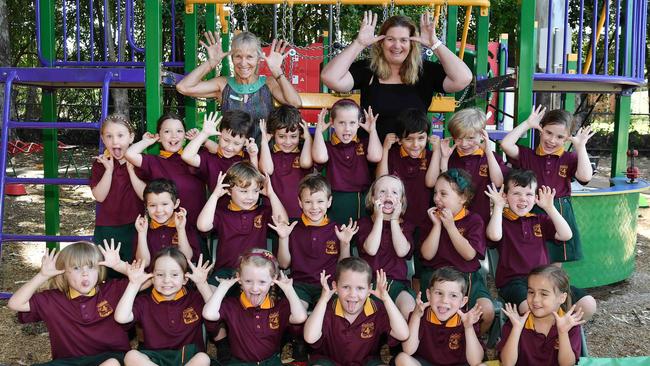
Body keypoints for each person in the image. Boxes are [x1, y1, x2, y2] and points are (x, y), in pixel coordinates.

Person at [321, 11, 472, 140]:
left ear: (412, 43)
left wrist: (434, 43)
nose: (397, 46)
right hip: (372, 154)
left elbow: (463, 79)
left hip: (413, 155)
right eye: (390, 39)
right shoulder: (368, 69)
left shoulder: (424, 71)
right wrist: (359, 43)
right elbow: (330, 78)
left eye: (404, 40)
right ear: (381, 42)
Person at [485, 170, 597, 320]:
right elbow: (494, 235)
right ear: (505, 196)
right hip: (515, 283)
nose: (523, 199)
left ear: (535, 197)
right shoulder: (500, 221)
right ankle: (546, 335)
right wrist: (498, 207)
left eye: (529, 194)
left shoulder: (539, 220)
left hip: (546, 279)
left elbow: (566, 235)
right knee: (531, 308)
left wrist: (550, 208)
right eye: (516, 193)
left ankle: (561, 334)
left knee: (588, 304)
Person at [8, 241, 131, 365]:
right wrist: (42, 275)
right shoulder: (52, 299)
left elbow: (144, 280)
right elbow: (15, 304)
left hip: (111, 356)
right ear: (63, 273)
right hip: (69, 362)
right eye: (76, 268)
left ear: (99, 270)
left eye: (91, 266)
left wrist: (119, 265)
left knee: (111, 364)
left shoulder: (113, 289)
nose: (85, 273)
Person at [500, 106, 595, 264]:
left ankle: (553, 288)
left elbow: (585, 177)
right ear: (540, 130)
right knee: (533, 255)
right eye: (548, 133)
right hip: (532, 209)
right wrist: (528, 123)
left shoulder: (569, 158)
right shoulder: (527, 155)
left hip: (559, 210)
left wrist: (580, 146)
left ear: (567, 139)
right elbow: (506, 144)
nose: (552, 140)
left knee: (555, 259)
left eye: (559, 137)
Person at [176, 31, 302, 142]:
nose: (243, 63)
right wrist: (211, 62)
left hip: (263, 157)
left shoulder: (268, 83)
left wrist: (276, 71)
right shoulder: (223, 84)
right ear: (232, 58)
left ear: (259, 59)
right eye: (238, 56)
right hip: (231, 155)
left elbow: (295, 103)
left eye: (250, 57)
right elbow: (183, 87)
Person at [420, 169, 495, 335]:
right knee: (427, 314)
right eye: (435, 193)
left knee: (487, 310)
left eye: (443, 194)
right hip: (436, 278)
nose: (436, 198)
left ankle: (473, 341)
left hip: (468, 279)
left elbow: (469, 254)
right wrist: (437, 226)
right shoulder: (431, 220)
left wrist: (451, 227)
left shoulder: (474, 220)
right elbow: (427, 254)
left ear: (463, 198)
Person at [202, 248, 308, 365]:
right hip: (239, 363)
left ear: (273, 280)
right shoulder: (231, 305)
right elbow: (209, 314)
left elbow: (301, 317)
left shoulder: (279, 307)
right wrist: (223, 287)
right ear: (239, 279)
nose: (254, 288)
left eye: (262, 282)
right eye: (248, 281)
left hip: (271, 362)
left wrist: (289, 290)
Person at [114, 248, 215, 366]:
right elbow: (121, 318)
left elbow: (215, 314)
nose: (167, 280)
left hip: (188, 357)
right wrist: (134, 284)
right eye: (160, 274)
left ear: (185, 279)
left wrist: (202, 284)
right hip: (154, 358)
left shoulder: (195, 299)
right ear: (152, 278)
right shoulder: (144, 302)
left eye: (175, 274)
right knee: (131, 356)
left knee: (203, 358)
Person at [270, 173, 358, 310]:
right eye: (308, 202)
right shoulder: (291, 228)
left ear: (329, 202)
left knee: (328, 314)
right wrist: (283, 238)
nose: (314, 207)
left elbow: (344, 267)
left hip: (328, 284)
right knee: (295, 314)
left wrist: (345, 243)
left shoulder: (339, 230)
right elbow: (283, 264)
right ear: (300, 202)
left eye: (320, 201)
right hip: (299, 284)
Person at [303, 257, 409, 365]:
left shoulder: (376, 309)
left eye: (360, 288)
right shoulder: (327, 308)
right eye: (346, 287)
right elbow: (310, 337)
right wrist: (323, 300)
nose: (353, 294)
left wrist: (386, 299)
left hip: (366, 362)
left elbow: (403, 334)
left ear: (369, 289)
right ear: (335, 287)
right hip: (331, 362)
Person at [196, 162, 288, 279]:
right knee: (211, 295)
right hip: (226, 272)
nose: (250, 197)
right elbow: (203, 226)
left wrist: (271, 194)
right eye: (244, 191)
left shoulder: (263, 212)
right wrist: (214, 196)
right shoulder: (221, 213)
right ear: (228, 191)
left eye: (255, 191)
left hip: (256, 273)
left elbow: (283, 222)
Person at [125, 112, 206, 230]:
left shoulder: (195, 159)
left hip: (195, 228)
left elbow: (221, 154)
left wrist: (200, 139)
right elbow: (129, 154)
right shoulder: (154, 162)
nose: (174, 136)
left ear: (185, 135)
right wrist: (147, 142)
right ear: (159, 136)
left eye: (179, 131)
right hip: (164, 230)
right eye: (167, 131)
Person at [312, 99, 382, 225]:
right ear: (332, 123)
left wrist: (373, 131)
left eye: (352, 123)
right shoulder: (327, 146)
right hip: (335, 200)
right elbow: (320, 158)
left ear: (359, 123)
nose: (347, 128)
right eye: (341, 123)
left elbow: (376, 157)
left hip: (360, 200)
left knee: (359, 236)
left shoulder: (363, 144)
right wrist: (318, 131)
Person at [498, 265, 585, 366]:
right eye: (531, 292)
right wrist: (516, 329)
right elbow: (507, 363)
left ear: (562, 298)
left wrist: (563, 332)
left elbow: (567, 364)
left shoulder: (569, 324)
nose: (535, 299)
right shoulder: (516, 323)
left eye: (543, 294)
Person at [396, 267, 484, 366]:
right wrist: (416, 317)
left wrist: (468, 327)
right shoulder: (420, 315)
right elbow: (408, 350)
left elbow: (476, 361)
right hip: (426, 363)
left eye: (453, 295)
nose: (444, 300)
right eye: (439, 293)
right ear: (429, 295)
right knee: (402, 359)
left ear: (463, 301)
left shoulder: (468, 319)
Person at [357, 175, 417, 320]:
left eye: (395, 193)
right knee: (365, 315)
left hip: (397, 284)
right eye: (382, 192)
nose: (388, 195)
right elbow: (371, 249)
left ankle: (401, 342)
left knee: (410, 311)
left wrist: (395, 220)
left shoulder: (406, 226)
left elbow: (402, 251)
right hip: (369, 285)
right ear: (372, 198)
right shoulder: (364, 224)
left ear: (401, 201)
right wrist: (378, 218)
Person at [91, 114, 145, 273]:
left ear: (131, 137)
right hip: (107, 228)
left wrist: (131, 170)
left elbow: (145, 195)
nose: (115, 141)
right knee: (106, 273)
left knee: (133, 270)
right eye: (109, 136)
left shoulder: (141, 162)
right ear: (103, 138)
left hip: (134, 226)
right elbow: (99, 196)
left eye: (120, 135)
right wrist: (109, 171)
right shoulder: (100, 164)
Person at [441, 107, 508, 225]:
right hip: (453, 219)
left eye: (471, 138)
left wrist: (488, 153)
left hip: (482, 219)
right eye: (459, 139)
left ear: (482, 135)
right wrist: (444, 160)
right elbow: (442, 187)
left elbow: (498, 182)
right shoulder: (450, 157)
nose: (464, 144)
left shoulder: (491, 157)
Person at [181, 110, 258, 193]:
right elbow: (187, 156)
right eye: (226, 140)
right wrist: (204, 133)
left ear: (245, 142)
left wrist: (253, 156)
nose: (229, 147)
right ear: (219, 133)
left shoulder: (247, 157)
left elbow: (255, 183)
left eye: (236, 143)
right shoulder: (211, 159)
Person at [258, 105, 314, 219]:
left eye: (293, 136)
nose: (288, 142)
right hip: (272, 216)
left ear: (301, 134)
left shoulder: (303, 155)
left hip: (300, 216)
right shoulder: (268, 155)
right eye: (282, 136)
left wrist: (308, 139)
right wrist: (264, 142)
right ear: (273, 134)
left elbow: (306, 163)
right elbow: (267, 170)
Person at [134, 179, 198, 268]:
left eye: (164, 204)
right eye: (152, 205)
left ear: (176, 204)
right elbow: (143, 264)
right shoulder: (143, 229)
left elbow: (186, 259)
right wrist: (141, 234)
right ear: (146, 207)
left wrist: (181, 229)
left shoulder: (185, 226)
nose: (159, 210)